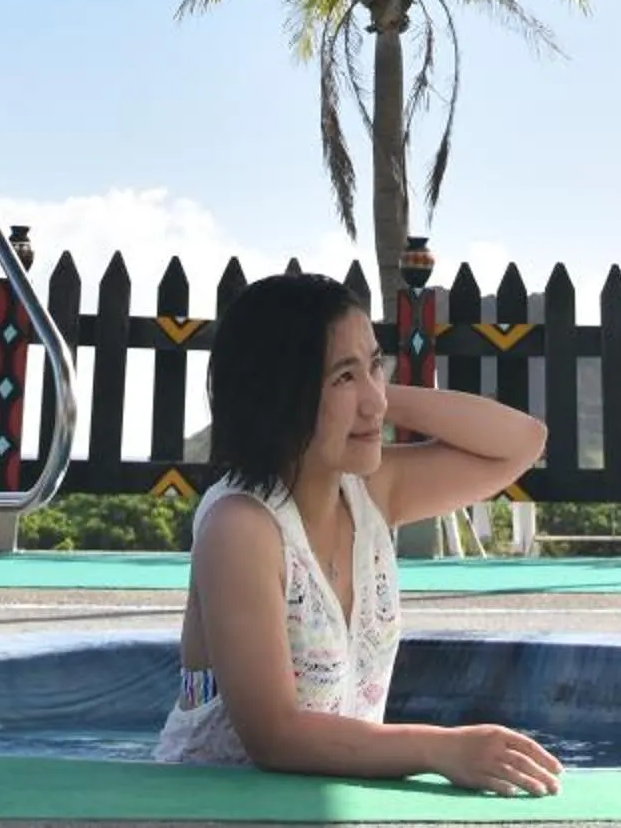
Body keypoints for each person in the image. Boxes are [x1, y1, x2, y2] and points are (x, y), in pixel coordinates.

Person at [153, 271, 560, 793]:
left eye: (375, 366)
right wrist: (441, 748)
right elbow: (275, 736)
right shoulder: (241, 526)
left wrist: (375, 393)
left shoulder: (371, 489)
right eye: (343, 378)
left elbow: (522, 442)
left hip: (326, 801)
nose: (375, 402)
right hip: (212, 807)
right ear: (281, 393)